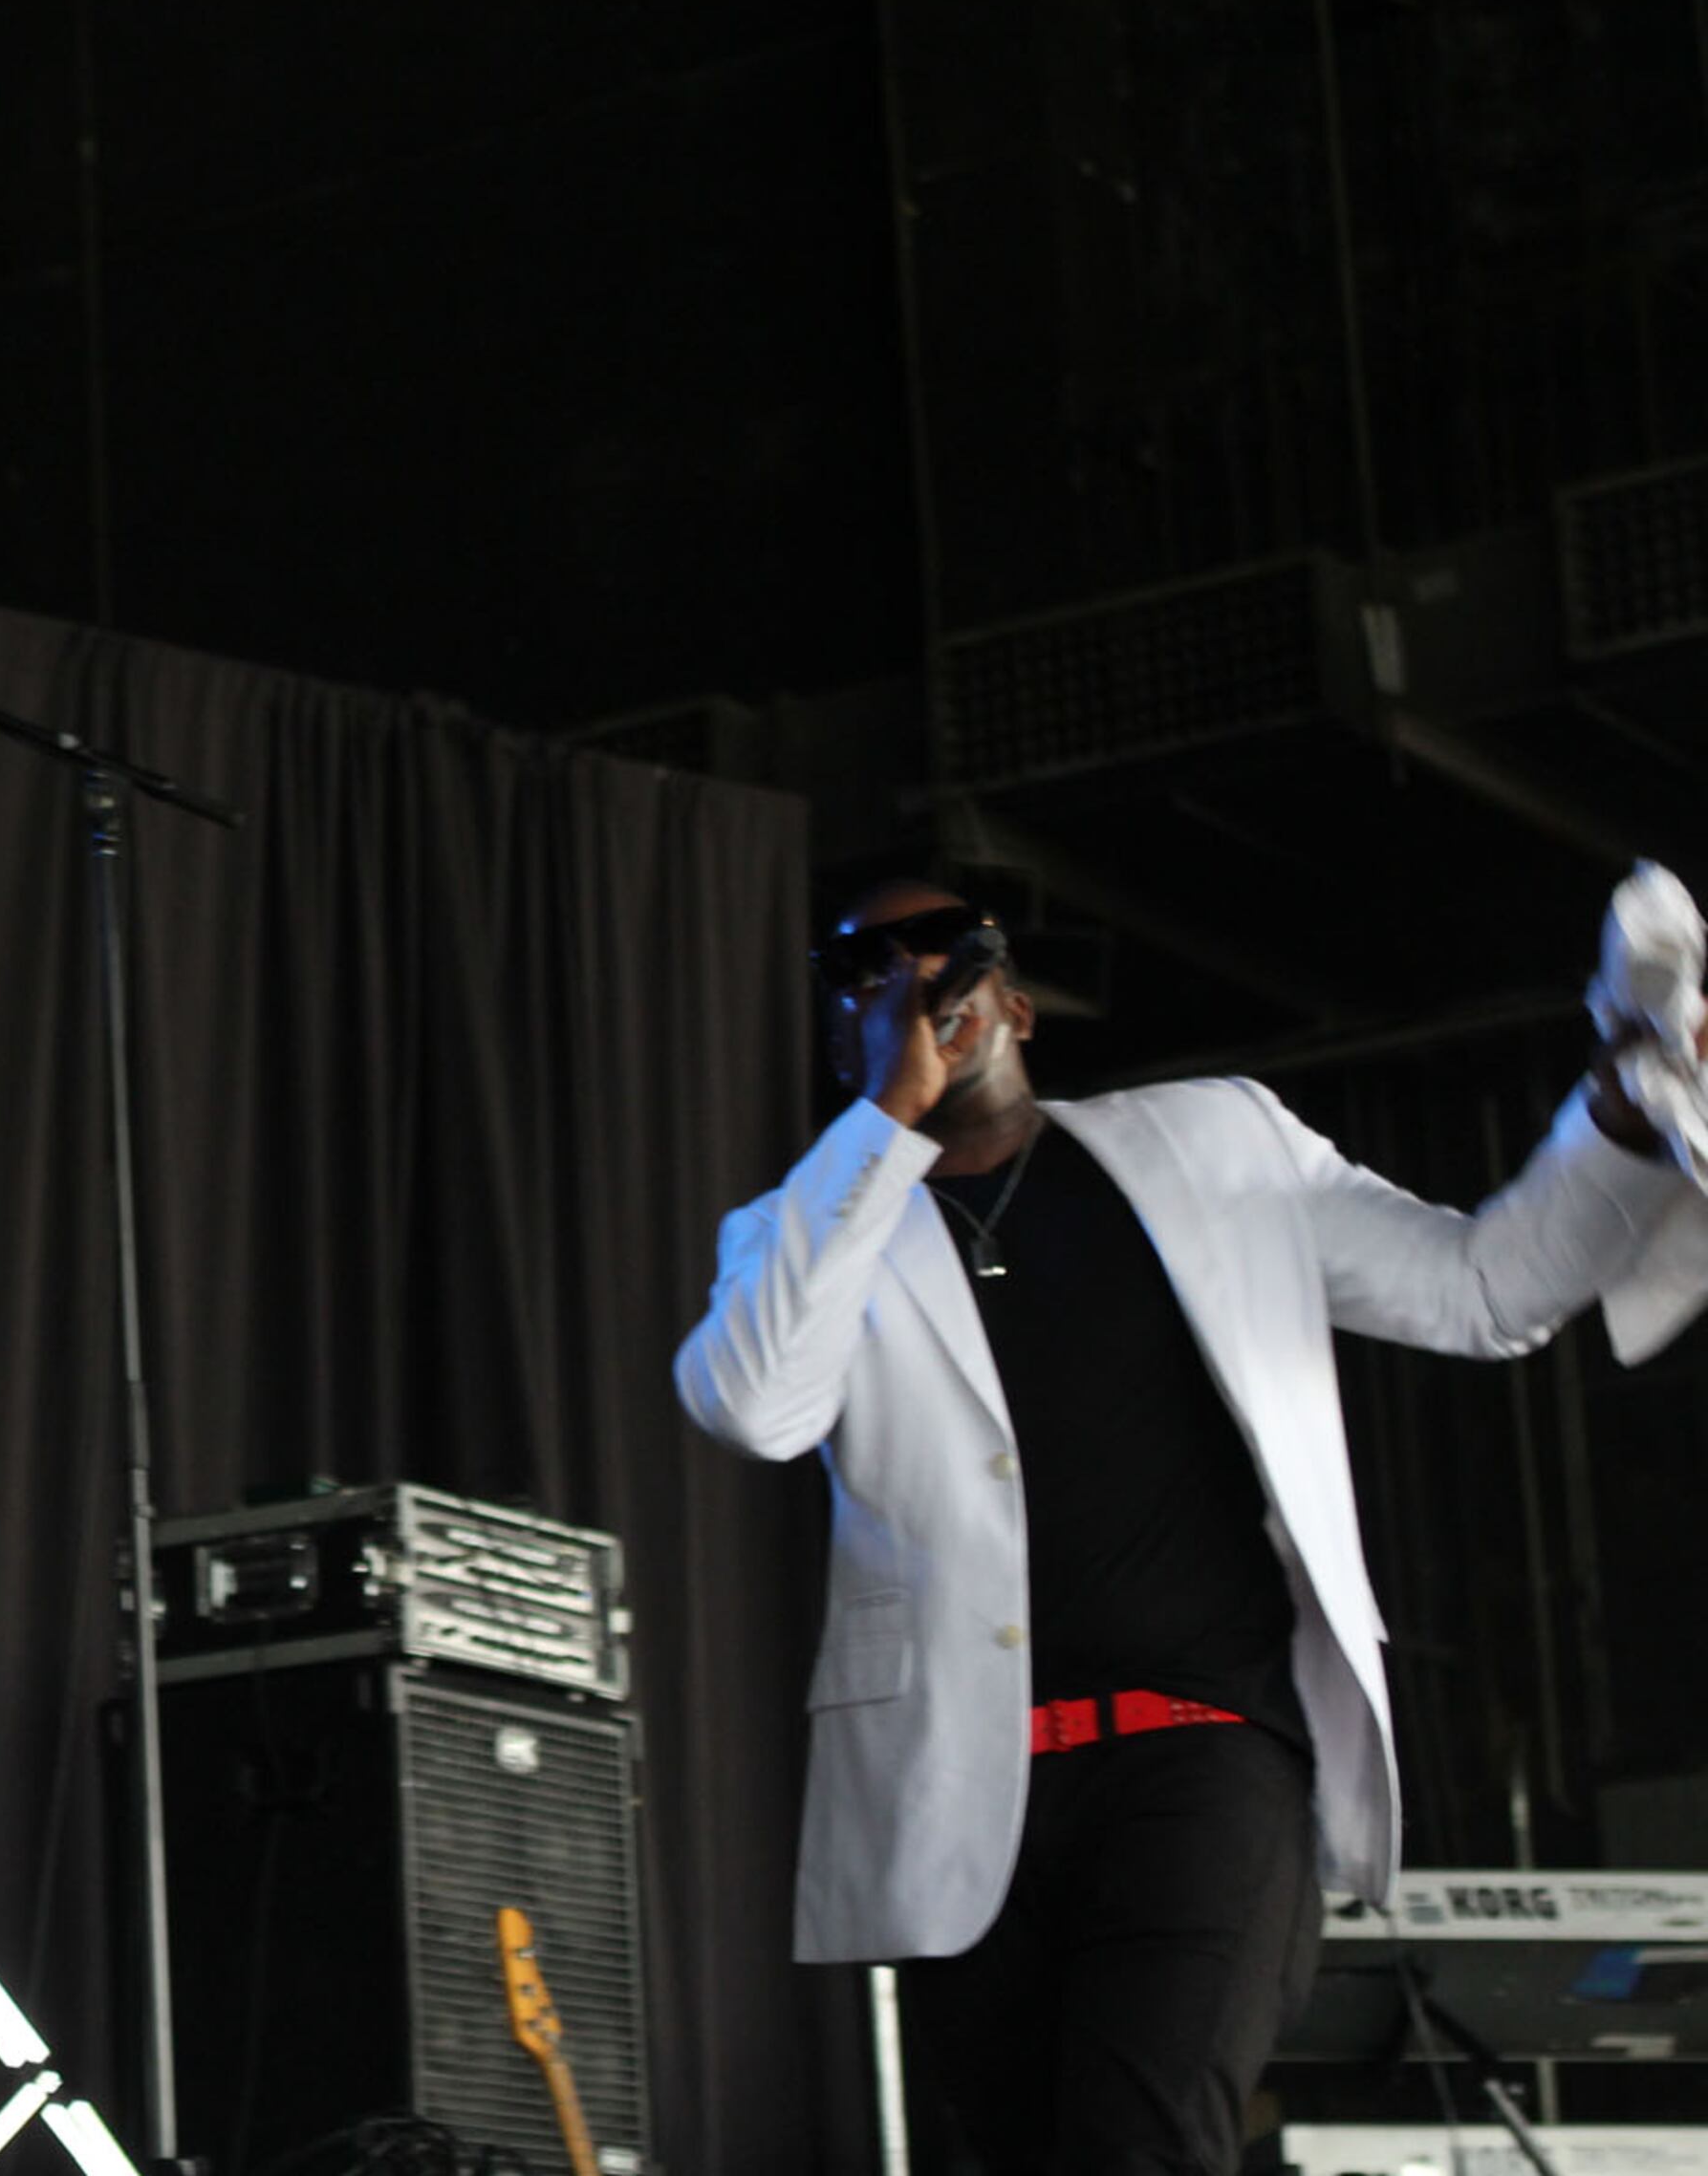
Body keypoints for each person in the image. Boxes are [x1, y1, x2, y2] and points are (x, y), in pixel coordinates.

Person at [672, 880, 1703, 2173]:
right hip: (961, 1799)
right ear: (845, 1040)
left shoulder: (1216, 1147)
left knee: (1139, 2141)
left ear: (1019, 1007)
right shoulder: (801, 1236)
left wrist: (1616, 1112)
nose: (920, 979)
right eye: (868, 970)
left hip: (1205, 1755)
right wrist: (887, 1117)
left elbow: (1482, 1288)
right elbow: (753, 1406)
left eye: (956, 954)